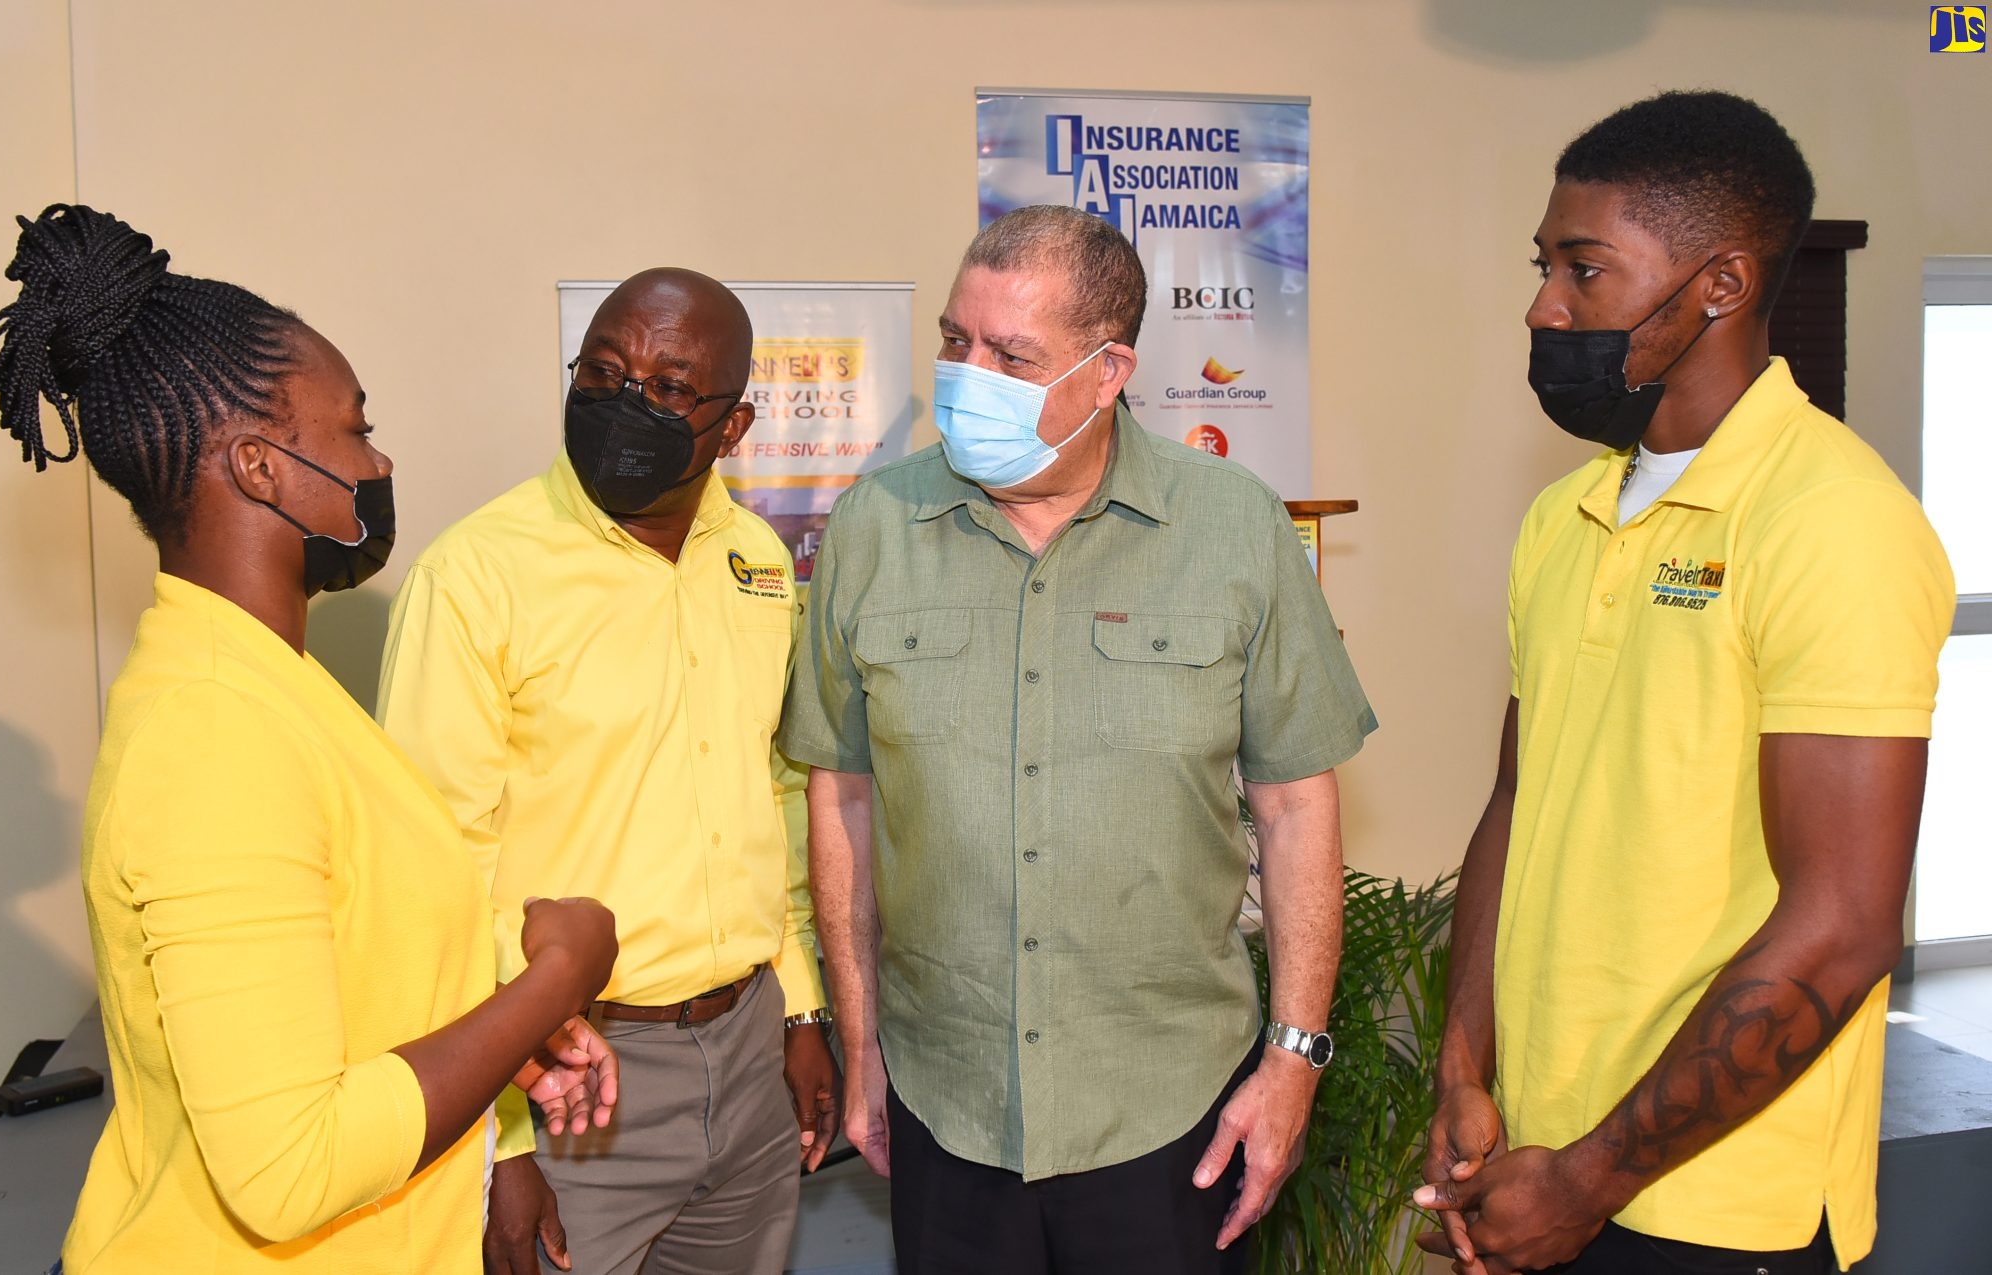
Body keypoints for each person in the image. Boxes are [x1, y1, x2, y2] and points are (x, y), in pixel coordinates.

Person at [0, 204, 622, 1274]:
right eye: (355, 428)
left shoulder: (270, 685)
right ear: (261, 466)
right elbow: (289, 1170)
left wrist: (503, 1017)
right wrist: (556, 979)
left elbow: (343, 952)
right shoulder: (216, 739)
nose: (377, 458)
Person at [779, 204, 1377, 1274]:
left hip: (1169, 1109)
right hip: (944, 1098)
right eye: (955, 341)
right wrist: (860, 1040)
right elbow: (845, 797)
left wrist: (1291, 1063)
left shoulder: (1233, 526)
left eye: (1010, 354)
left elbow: (1295, 804)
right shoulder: (872, 527)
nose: (968, 373)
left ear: (1108, 374)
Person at [1415, 92, 1954, 1275]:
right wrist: (1466, 1066)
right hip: (1539, 1152)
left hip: (1711, 1201)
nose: (1541, 305)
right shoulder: (1562, 518)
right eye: (1542, 264)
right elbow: (1518, 803)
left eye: (1583, 270)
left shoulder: (1832, 525)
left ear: (1717, 283)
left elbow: (1841, 927)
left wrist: (1590, 1177)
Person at [378, 268, 838, 1275]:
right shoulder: (476, 576)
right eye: (603, 369)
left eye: (671, 387)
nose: (627, 401)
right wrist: (496, 1138)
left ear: (733, 426)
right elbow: (427, 875)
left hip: (748, 1048)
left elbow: (773, 792)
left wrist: (800, 1011)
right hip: (568, 1072)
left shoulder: (754, 561)